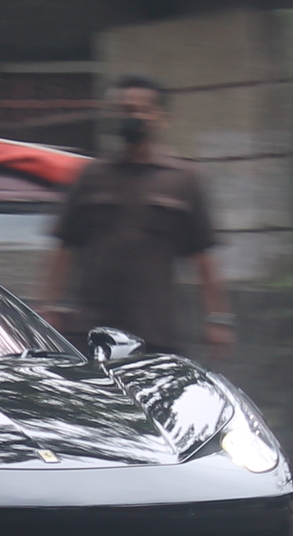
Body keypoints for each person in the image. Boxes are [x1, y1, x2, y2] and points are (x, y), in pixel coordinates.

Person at [42, 74, 233, 357]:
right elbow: (65, 247)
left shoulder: (183, 180)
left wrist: (217, 318)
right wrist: (50, 307)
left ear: (161, 118)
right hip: (91, 330)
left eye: (141, 110)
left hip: (154, 331)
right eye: (125, 110)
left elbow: (203, 258)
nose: (132, 117)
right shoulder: (92, 175)